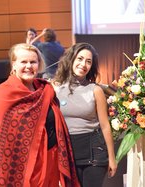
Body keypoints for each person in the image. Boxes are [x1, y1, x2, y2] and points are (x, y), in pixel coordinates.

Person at [0, 43, 80, 187]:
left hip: (50, 159)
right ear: (13, 65)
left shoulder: (45, 89)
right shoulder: (3, 94)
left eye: (33, 62)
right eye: (23, 62)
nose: (29, 66)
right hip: (19, 165)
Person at [52, 42, 117, 187]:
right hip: (66, 151)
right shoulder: (55, 88)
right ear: (71, 59)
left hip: (94, 151)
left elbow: (105, 126)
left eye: (88, 61)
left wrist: (112, 158)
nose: (83, 64)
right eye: (80, 59)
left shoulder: (95, 90)